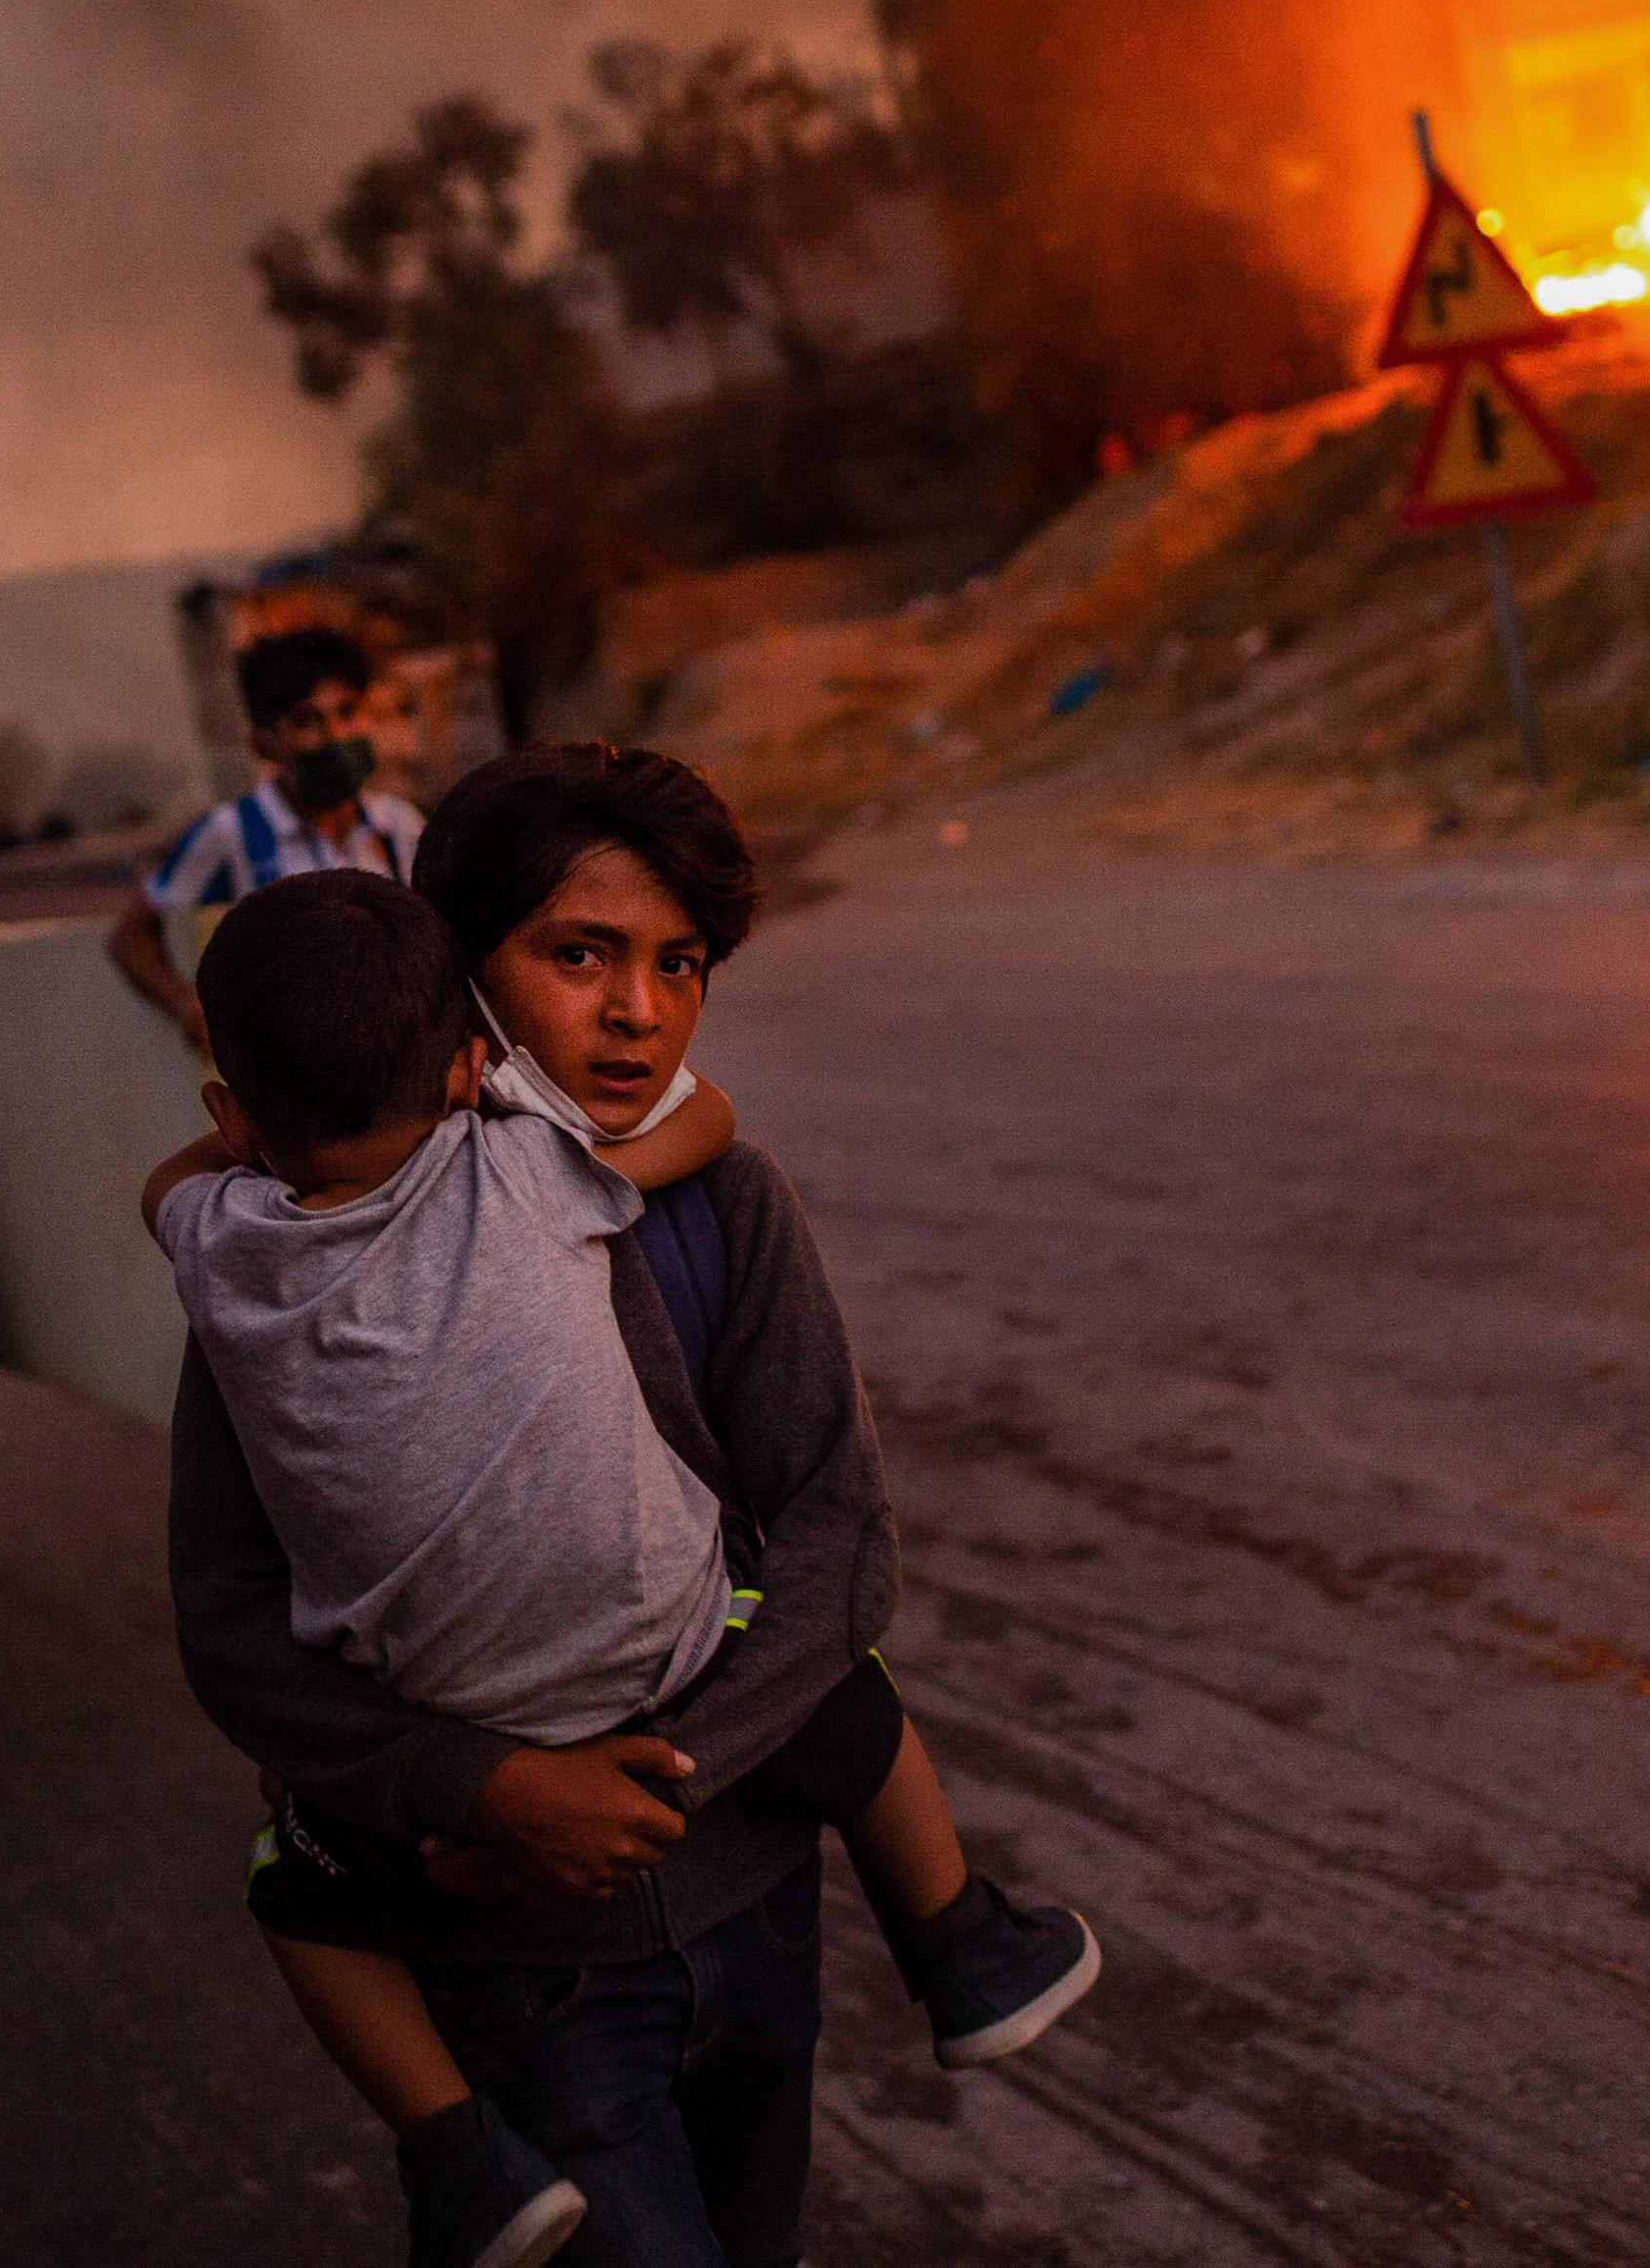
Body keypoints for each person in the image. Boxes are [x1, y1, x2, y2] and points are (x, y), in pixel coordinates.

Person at [149, 870, 1096, 2268]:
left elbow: (843, 1532)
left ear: (235, 1109)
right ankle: (961, 1941)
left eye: (681, 961)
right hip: (603, 1807)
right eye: (580, 954)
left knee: (299, 1885)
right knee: (850, 1693)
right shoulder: (537, 1175)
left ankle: (454, 2157)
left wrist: (524, 1784)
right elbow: (229, 1626)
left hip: (694, 1875)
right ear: (475, 1036)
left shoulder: (233, 1266)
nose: (638, 1014)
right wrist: (520, 1796)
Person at [110, 625, 425, 1051]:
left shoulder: (399, 825)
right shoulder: (232, 832)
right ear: (265, 741)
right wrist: (188, 1007)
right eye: (306, 722)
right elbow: (131, 936)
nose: (334, 737)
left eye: (347, 712)